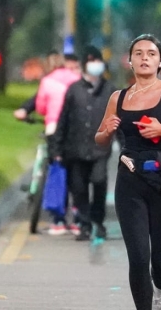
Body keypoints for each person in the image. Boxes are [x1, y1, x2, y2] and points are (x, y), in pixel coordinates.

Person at [95, 34, 161, 310]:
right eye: (138, 53)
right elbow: (100, 138)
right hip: (130, 182)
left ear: (160, 62)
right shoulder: (118, 98)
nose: (144, 58)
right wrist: (107, 131)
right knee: (139, 258)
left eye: (151, 54)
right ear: (130, 61)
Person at [51, 48, 118, 241]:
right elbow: (63, 119)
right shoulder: (74, 90)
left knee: (99, 181)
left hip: (100, 149)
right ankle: (85, 223)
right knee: (78, 188)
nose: (95, 64)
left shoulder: (110, 90)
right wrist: (56, 147)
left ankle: (98, 220)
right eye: (91, 60)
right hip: (75, 148)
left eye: (97, 60)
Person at [35, 53, 82, 235]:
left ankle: (59, 219)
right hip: (75, 130)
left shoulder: (47, 81)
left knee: (57, 168)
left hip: (54, 127)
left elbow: (40, 107)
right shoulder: (77, 79)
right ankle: (78, 218)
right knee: (77, 173)